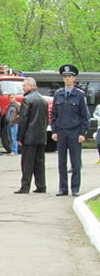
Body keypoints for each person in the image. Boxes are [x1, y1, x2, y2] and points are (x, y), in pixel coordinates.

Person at [51, 63, 90, 196]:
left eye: (70, 76)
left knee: (75, 162)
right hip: (61, 131)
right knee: (61, 162)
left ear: (74, 78)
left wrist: (83, 133)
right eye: (65, 76)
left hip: (74, 132)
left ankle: (75, 188)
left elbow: (85, 116)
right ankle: (63, 188)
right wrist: (54, 131)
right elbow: (54, 115)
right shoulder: (58, 94)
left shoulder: (79, 95)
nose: (67, 79)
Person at [15, 77, 47, 194]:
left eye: (24, 85)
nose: (23, 88)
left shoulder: (27, 99)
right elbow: (45, 120)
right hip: (40, 136)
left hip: (29, 136)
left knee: (27, 162)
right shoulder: (42, 100)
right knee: (39, 162)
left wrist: (20, 137)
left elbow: (23, 119)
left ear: (30, 86)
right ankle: (41, 185)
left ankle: (25, 186)